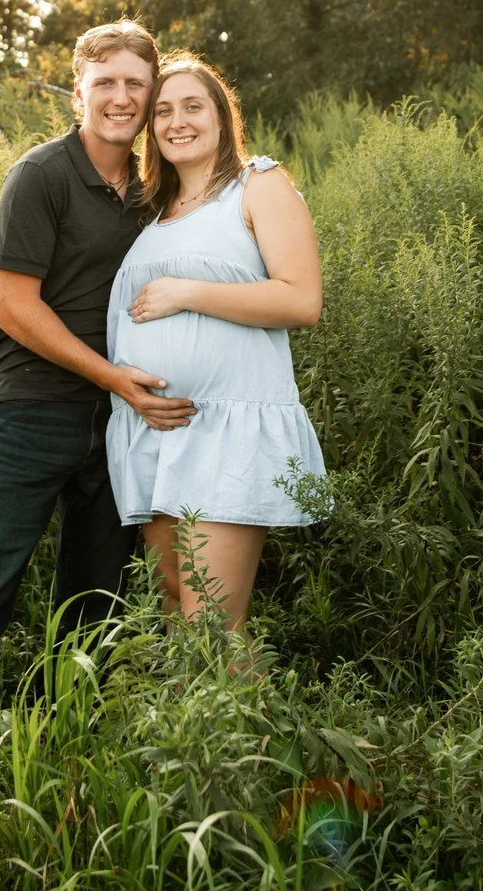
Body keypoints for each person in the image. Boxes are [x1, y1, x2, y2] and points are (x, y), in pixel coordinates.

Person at [0, 21, 196, 703]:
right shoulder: (42, 175)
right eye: (106, 83)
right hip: (31, 409)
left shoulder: (152, 189)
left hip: (117, 423)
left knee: (93, 604)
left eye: (136, 83)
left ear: (151, 92)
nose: (121, 97)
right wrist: (112, 378)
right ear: (79, 92)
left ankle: (61, 739)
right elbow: (13, 305)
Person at [105, 55, 326, 631]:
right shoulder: (152, 213)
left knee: (213, 621)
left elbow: (302, 300)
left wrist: (187, 293)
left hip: (227, 430)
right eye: (163, 111)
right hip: (155, 431)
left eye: (192, 106)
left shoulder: (258, 184)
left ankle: (249, 725)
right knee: (175, 604)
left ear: (222, 118)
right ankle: (187, 726)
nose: (177, 121)